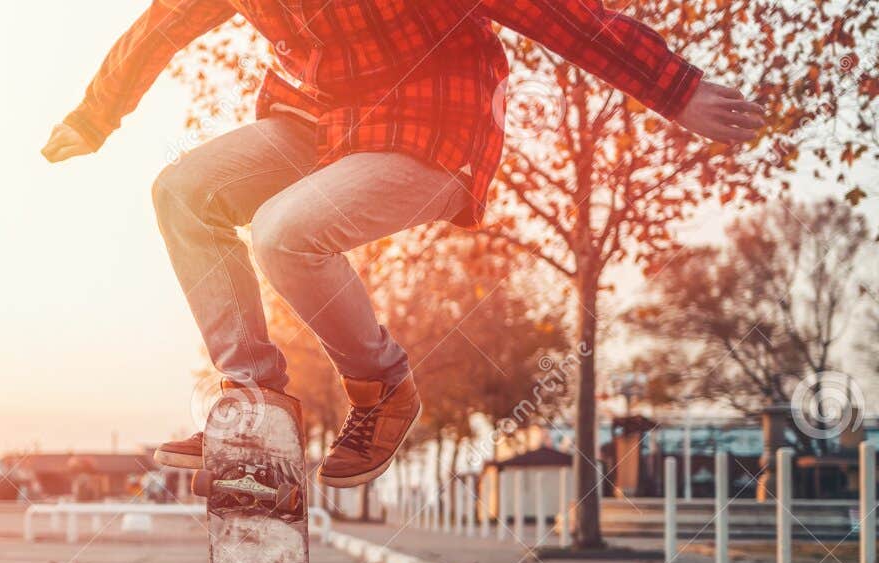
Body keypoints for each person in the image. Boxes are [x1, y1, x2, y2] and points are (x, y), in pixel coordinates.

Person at [43, 1, 765, 489]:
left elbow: (555, 13)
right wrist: (94, 116)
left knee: (284, 233)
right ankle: (255, 400)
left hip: (435, 122)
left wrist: (676, 88)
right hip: (316, 123)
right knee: (182, 191)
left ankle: (384, 385)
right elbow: (159, 28)